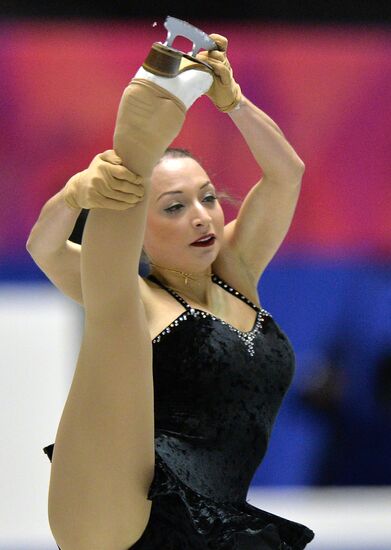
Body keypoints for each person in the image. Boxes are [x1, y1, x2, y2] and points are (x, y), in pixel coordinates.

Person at [27, 32, 314, 549]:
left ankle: (147, 123)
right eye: (175, 207)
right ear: (139, 227)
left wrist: (234, 102)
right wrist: (74, 196)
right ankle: (139, 133)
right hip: (123, 501)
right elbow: (44, 247)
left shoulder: (238, 270)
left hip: (212, 525)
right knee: (116, 309)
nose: (202, 216)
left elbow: (286, 173)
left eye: (207, 197)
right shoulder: (137, 292)